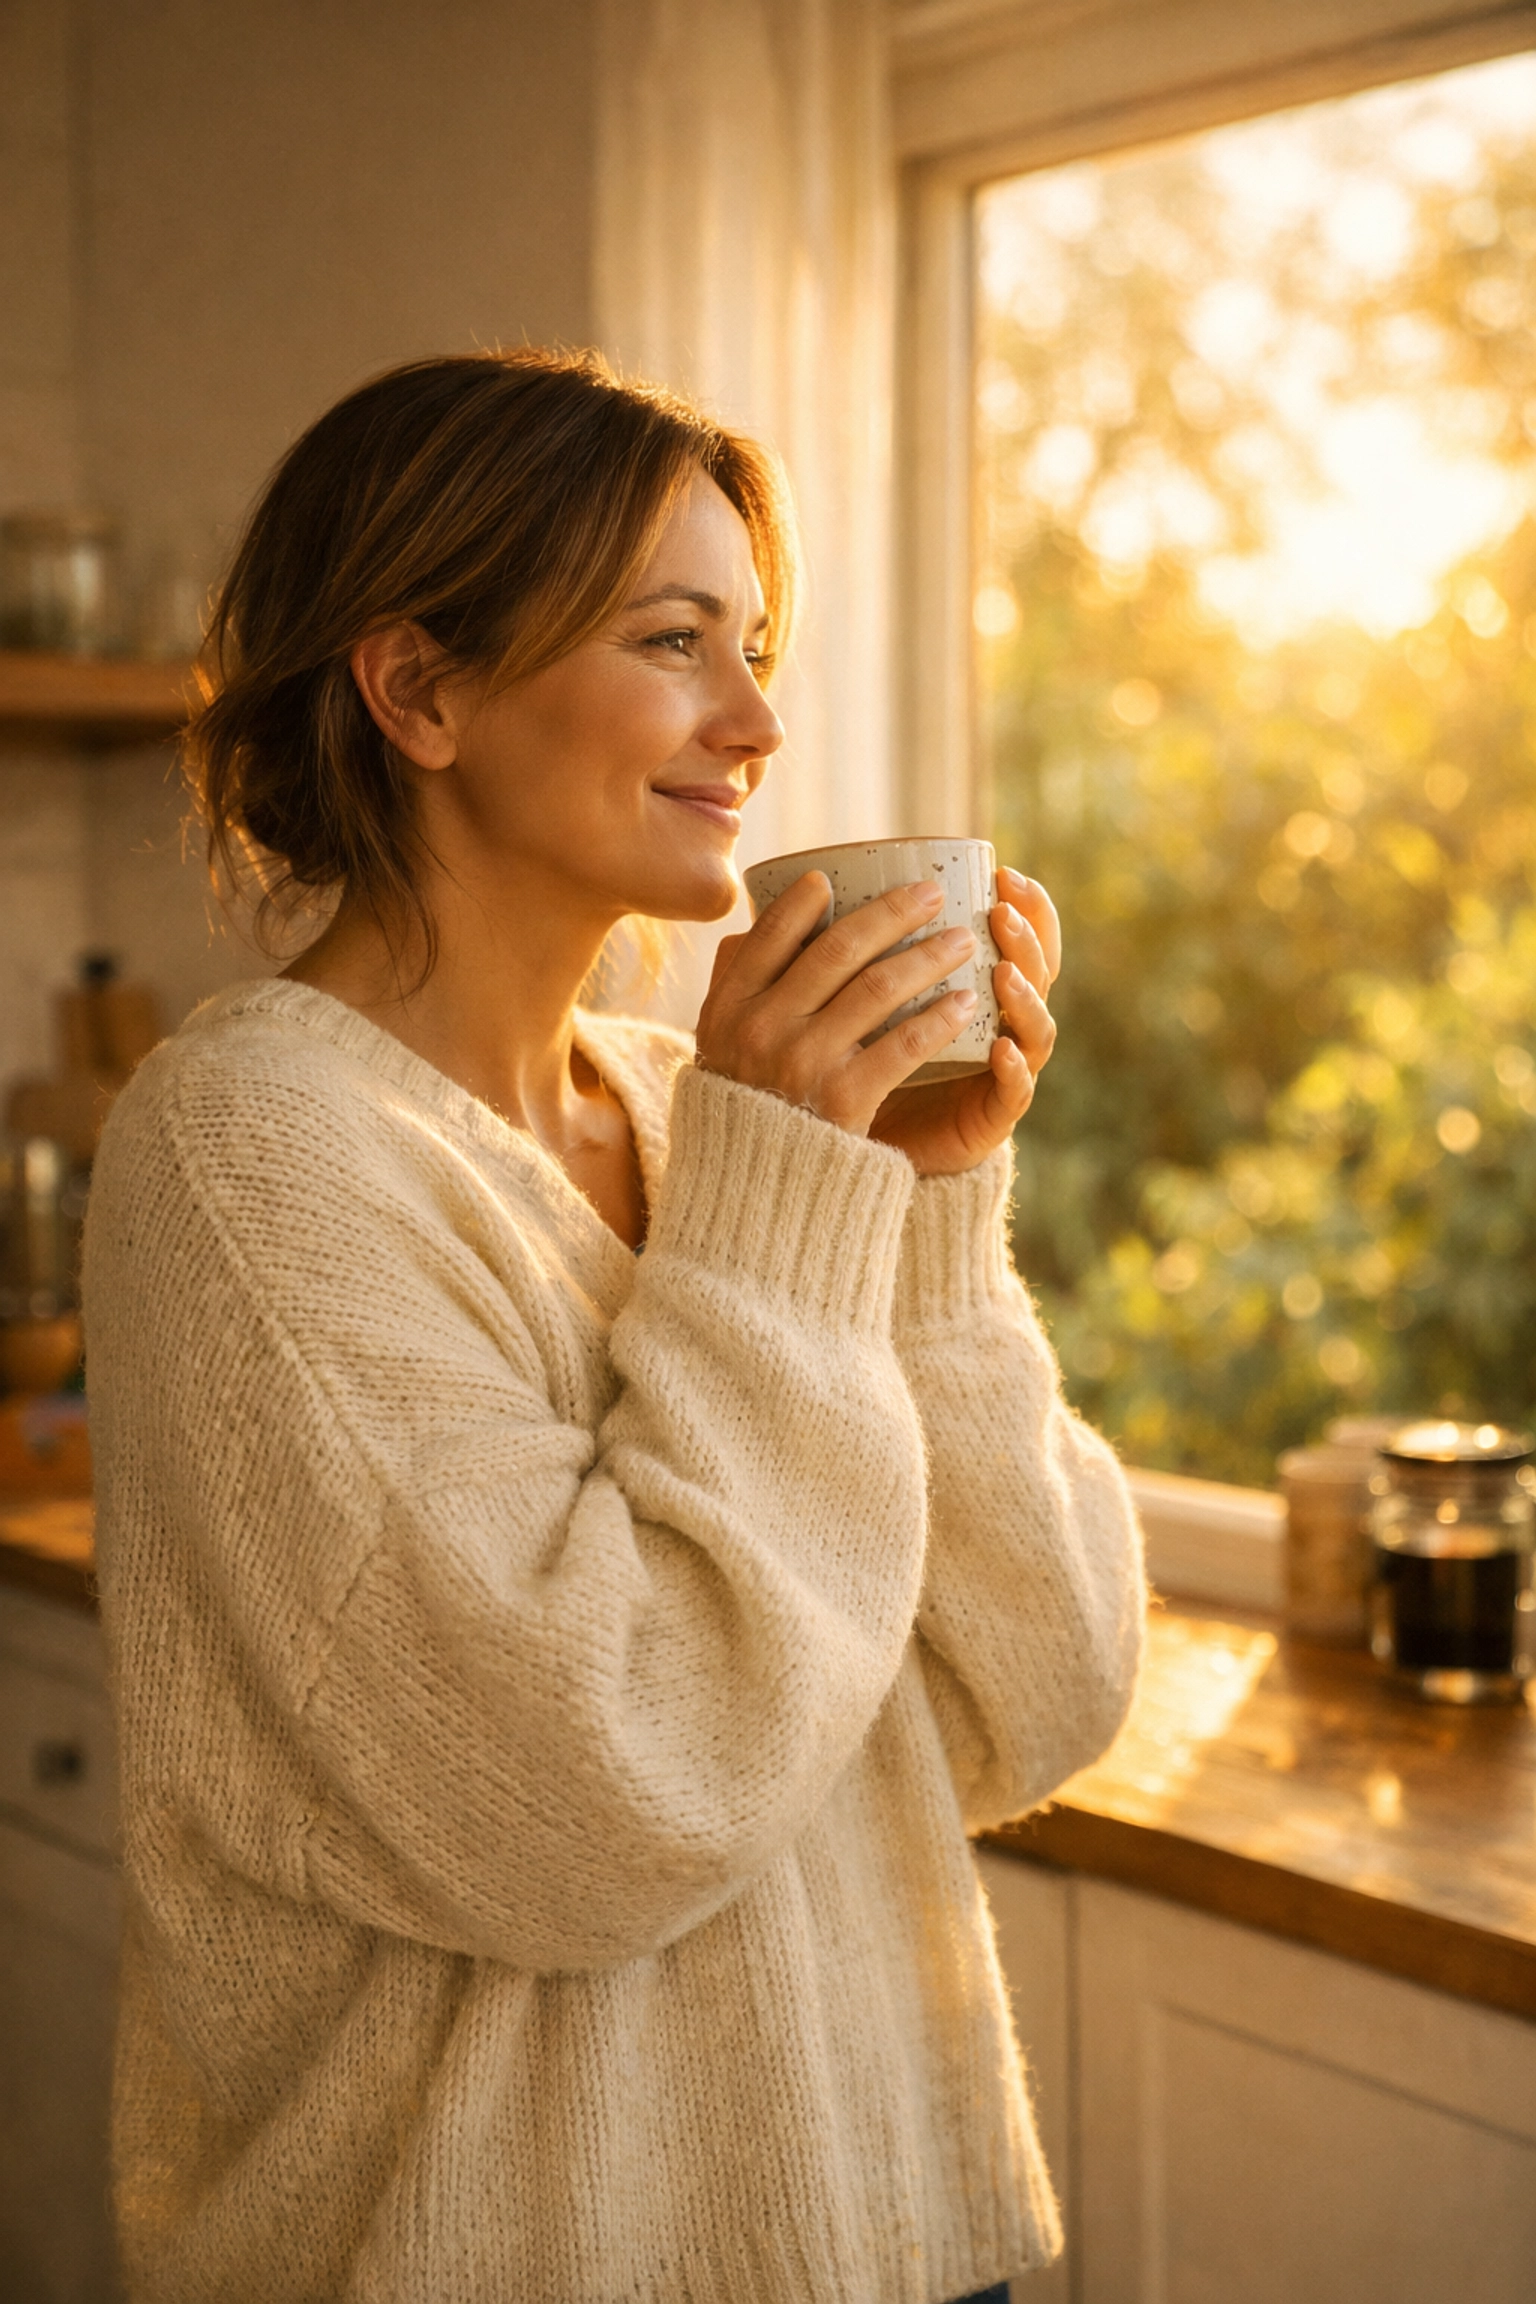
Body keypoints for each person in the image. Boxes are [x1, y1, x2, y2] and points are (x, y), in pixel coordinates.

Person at [84, 348, 1144, 2304]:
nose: (755, 719)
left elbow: (1034, 1698)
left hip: (902, 2236)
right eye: (677, 641)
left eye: (758, 644)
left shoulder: (707, 1124)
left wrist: (911, 1211)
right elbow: (605, 1805)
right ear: (419, 689)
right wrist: (787, 1200)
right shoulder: (247, 1155)